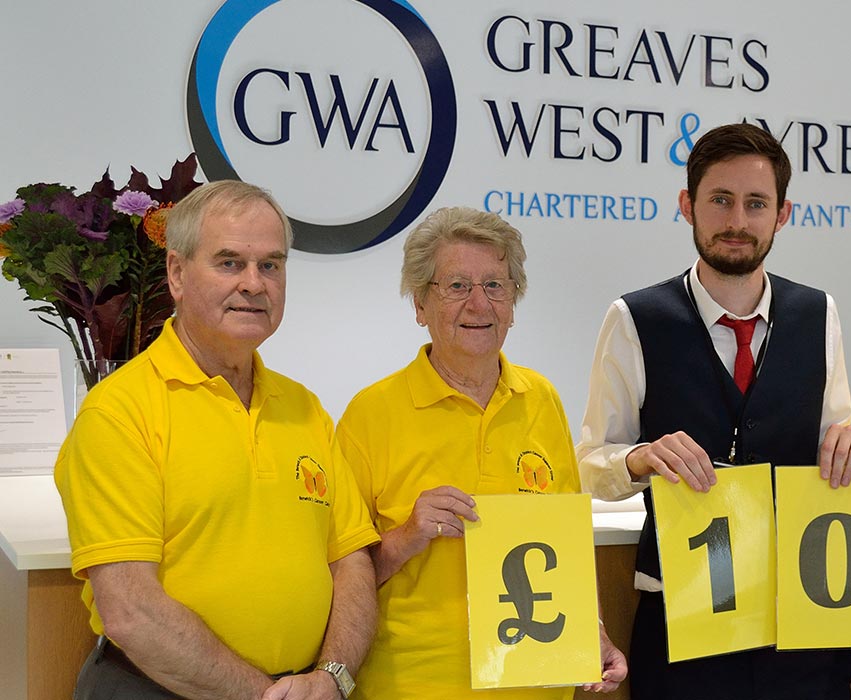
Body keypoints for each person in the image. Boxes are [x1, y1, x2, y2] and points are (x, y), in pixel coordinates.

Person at [576, 122, 851, 699]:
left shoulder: (819, 314)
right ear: (687, 205)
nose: (737, 220)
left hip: (799, 622)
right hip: (681, 624)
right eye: (720, 199)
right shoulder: (635, 319)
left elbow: (833, 445)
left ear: (782, 215)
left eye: (756, 203)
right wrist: (639, 458)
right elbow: (590, 464)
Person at [55, 180, 380, 700]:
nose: (254, 284)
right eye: (229, 263)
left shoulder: (304, 409)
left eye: (270, 265)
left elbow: (351, 561)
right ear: (177, 274)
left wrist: (333, 676)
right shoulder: (118, 413)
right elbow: (131, 610)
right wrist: (262, 696)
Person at [333, 206, 626, 699]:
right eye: (456, 286)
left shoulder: (542, 399)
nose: (478, 304)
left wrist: (591, 634)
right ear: (420, 304)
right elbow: (339, 578)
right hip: (415, 687)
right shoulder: (370, 414)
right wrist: (407, 536)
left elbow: (567, 548)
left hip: (537, 685)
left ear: (513, 302)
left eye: (495, 285)